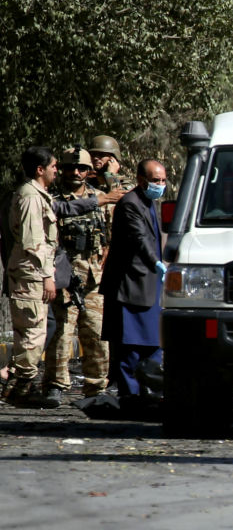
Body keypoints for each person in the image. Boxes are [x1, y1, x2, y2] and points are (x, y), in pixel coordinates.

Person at [40, 147, 114, 406]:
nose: (75, 172)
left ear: (89, 171)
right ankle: (55, 385)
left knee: (96, 334)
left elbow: (110, 233)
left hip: (94, 278)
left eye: (81, 168)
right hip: (64, 277)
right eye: (70, 168)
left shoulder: (101, 198)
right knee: (61, 334)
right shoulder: (51, 199)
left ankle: (96, 386)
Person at [100, 159, 168, 409]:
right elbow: (140, 239)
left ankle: (150, 394)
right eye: (155, 180)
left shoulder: (149, 202)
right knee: (130, 346)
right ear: (141, 180)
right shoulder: (130, 203)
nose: (160, 185)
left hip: (149, 285)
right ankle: (131, 396)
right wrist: (156, 263)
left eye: (163, 180)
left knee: (153, 343)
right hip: (131, 284)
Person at [3, 147, 60, 407]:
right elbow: (32, 241)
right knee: (32, 333)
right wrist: (47, 276)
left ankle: (19, 386)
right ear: (40, 169)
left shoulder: (37, 195)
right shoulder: (30, 197)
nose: (56, 171)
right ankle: (21, 389)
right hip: (31, 273)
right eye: (53, 166)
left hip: (31, 272)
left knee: (33, 330)